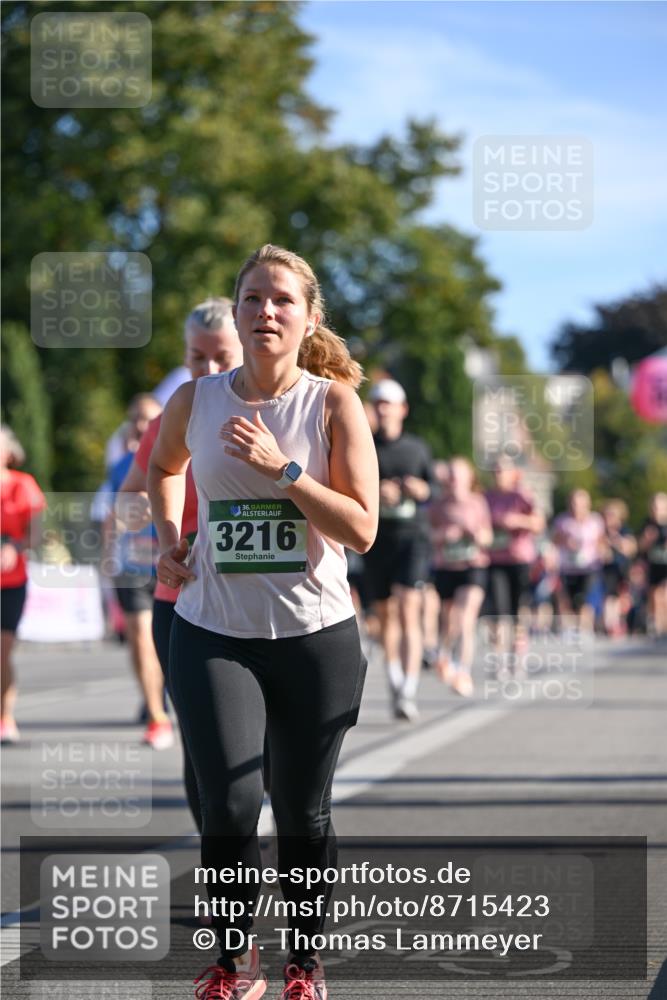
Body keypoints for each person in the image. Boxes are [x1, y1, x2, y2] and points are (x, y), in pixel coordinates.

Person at [148, 244, 378, 1000]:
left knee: (302, 813)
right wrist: (167, 537)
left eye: (281, 299)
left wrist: (286, 470)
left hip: (315, 638)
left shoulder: (331, 404)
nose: (264, 312)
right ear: (237, 310)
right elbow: (162, 466)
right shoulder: (198, 398)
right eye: (251, 298)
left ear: (308, 316)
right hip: (213, 632)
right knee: (231, 804)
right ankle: (231, 961)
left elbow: (360, 529)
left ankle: (305, 967)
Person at [116, 297, 243, 831]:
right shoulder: (171, 418)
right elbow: (126, 502)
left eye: (221, 357)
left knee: (268, 745)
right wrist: (140, 511)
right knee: (203, 745)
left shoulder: (283, 411)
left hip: (267, 603)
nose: (209, 371)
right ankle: (226, 860)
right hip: (185, 602)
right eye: (197, 359)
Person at [362, 379, 433, 721]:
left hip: (412, 537)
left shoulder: (417, 448)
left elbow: (431, 488)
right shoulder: (363, 445)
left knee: (409, 606)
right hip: (378, 538)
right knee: (385, 613)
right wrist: (378, 491)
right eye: (378, 403)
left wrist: (419, 489)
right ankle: (395, 682)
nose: (383, 409)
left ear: (403, 409)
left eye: (389, 403)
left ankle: (409, 690)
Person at [106, 394, 173, 749]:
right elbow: (112, 512)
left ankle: (168, 697)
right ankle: (156, 715)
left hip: (172, 564)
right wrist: (107, 557)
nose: (141, 425)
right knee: (139, 638)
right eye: (135, 418)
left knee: (166, 644)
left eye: (149, 418)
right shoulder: (121, 466)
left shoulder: (182, 455)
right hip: (131, 566)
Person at [428, 456, 492, 697]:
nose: (453, 479)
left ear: (468, 478)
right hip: (446, 567)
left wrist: (473, 533)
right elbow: (430, 537)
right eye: (451, 474)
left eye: (458, 474)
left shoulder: (477, 503)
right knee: (448, 622)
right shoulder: (438, 505)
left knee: (466, 618)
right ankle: (444, 657)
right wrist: (445, 535)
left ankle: (463, 672)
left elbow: (488, 537)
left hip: (473, 565)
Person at [1, 425, 46, 744]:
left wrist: (13, 547)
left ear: (9, 453)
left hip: (11, 581)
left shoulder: (22, 485)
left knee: (1, 653)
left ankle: (4, 716)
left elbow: (36, 534)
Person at [485, 459, 544, 676]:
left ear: (513, 473)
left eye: (503, 470)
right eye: (496, 470)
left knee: (518, 610)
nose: (498, 474)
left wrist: (516, 521)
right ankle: (499, 659)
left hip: (520, 559)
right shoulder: (487, 497)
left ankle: (517, 656)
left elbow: (538, 523)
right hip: (494, 560)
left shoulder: (522, 495)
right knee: (498, 611)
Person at [552, 489, 605, 632]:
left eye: (580, 503)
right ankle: (569, 628)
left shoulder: (595, 521)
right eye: (574, 503)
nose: (577, 507)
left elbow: (601, 542)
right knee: (568, 599)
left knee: (585, 599)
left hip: (590, 566)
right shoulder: (562, 520)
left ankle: (584, 628)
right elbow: (555, 541)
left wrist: (602, 551)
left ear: (587, 504)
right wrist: (566, 542)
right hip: (568, 566)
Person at [600, 499, 636, 637]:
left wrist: (615, 541)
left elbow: (630, 547)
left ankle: (621, 622)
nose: (609, 519)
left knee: (623, 598)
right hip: (608, 570)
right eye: (606, 515)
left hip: (622, 569)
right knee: (609, 598)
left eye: (612, 515)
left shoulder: (624, 530)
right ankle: (611, 625)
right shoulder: (602, 531)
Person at [638, 492, 667, 638]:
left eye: (660, 507)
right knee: (655, 596)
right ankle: (657, 625)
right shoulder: (648, 525)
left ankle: (664, 625)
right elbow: (640, 547)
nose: (657, 510)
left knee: (664, 595)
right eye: (654, 507)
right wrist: (647, 539)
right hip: (654, 565)